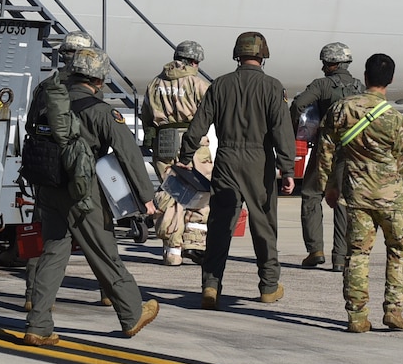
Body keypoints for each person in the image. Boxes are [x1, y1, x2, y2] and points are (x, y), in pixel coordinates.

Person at [20, 47, 161, 346]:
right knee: (103, 251)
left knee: (53, 255)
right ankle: (133, 312)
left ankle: (38, 324)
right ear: (99, 80)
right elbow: (129, 155)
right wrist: (146, 197)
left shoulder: (50, 101)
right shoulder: (102, 111)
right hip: (83, 192)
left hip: (49, 188)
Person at [179, 31, 296, 308]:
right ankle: (268, 286)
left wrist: (185, 155)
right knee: (263, 225)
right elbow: (282, 131)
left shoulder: (219, 85)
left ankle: (210, 285)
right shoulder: (272, 87)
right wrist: (287, 169)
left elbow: (199, 124)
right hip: (259, 161)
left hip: (227, 159)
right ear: (262, 55)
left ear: (237, 55)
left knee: (220, 225)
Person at [309, 52, 403, 332]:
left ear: (365, 77)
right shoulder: (395, 118)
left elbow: (325, 151)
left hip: (356, 195)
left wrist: (328, 187)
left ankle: (357, 316)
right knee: (399, 251)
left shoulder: (342, 109)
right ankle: (393, 309)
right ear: (390, 80)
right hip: (391, 198)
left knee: (357, 254)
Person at [291, 42, 362, 269]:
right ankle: (340, 258)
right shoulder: (360, 87)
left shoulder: (322, 85)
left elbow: (299, 104)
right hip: (351, 151)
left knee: (312, 195)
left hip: (325, 149)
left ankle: (315, 250)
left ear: (330, 64)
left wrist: (295, 129)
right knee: (343, 201)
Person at [143, 40, 213, 266]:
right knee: (200, 191)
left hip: (164, 146)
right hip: (193, 147)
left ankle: (172, 249)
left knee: (170, 195)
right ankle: (195, 243)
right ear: (194, 61)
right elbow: (212, 113)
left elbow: (146, 117)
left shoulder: (154, 83)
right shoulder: (198, 84)